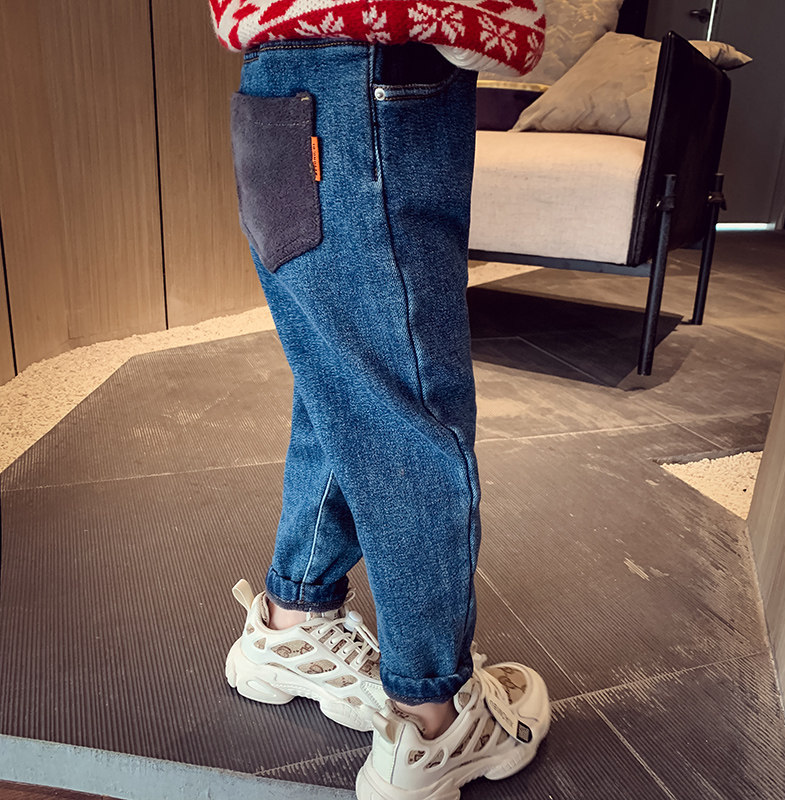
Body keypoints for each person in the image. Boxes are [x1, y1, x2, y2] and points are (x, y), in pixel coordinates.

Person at [210, 2, 550, 797]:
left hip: (277, 79)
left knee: (341, 378)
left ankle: (291, 622)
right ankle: (433, 719)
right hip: (377, 73)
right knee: (411, 413)